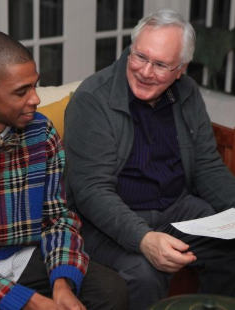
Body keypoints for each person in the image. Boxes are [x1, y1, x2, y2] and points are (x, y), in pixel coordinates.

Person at [0, 30, 128, 310]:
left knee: (111, 289)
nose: (35, 99)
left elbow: (58, 219)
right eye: (22, 91)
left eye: (35, 86)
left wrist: (62, 281)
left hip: (27, 257)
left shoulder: (42, 133)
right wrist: (26, 300)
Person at [64, 9, 235, 310]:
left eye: (160, 65)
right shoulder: (93, 99)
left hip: (175, 208)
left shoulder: (187, 93)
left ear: (181, 69)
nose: (145, 71)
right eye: (139, 56)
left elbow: (207, 164)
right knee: (144, 272)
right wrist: (144, 239)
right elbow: (92, 192)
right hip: (105, 222)